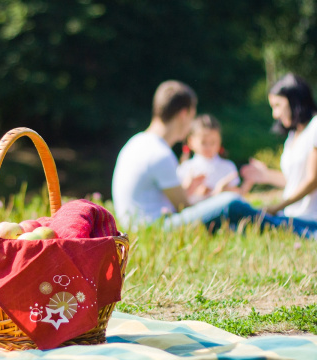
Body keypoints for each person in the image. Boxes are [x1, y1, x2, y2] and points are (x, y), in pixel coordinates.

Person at [111, 80, 242, 231]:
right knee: (229, 201)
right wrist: (216, 195)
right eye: (192, 116)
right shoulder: (160, 153)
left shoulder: (136, 142)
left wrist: (188, 190)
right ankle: (275, 222)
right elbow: (184, 208)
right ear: (183, 114)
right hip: (155, 228)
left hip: (137, 227)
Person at [222, 73, 317, 238]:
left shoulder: (315, 127)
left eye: (278, 105)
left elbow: (312, 181)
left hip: (309, 220)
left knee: (238, 213)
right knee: (238, 222)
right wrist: (265, 175)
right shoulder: (293, 136)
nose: (275, 114)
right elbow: (294, 181)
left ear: (295, 100)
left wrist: (276, 208)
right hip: (291, 216)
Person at [177, 114, 252, 204]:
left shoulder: (228, 166)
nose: (208, 147)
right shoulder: (186, 168)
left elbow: (238, 197)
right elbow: (180, 202)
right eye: (203, 142)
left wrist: (248, 182)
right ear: (191, 141)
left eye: (213, 142)